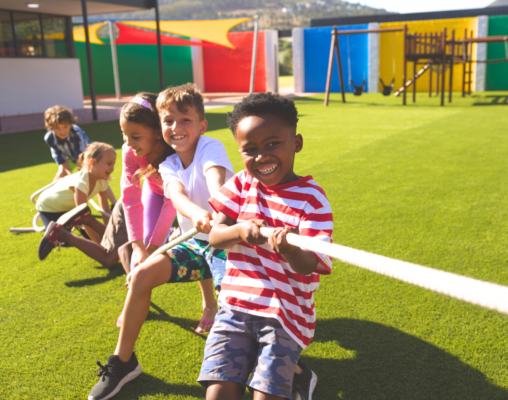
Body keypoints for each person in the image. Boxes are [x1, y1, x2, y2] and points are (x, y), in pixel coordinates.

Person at [87, 84, 235, 400]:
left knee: (235, 304)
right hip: (197, 243)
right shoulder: (167, 164)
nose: (176, 128)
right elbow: (176, 197)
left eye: (185, 121)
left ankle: (285, 364)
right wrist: (193, 216)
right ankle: (123, 363)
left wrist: (216, 207)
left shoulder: (210, 146)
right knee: (141, 274)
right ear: (160, 127)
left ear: (202, 125)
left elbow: (216, 180)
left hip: (229, 243)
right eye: (169, 121)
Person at [198, 92, 333, 400]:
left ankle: (298, 374)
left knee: (266, 396)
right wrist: (240, 230)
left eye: (273, 144)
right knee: (218, 393)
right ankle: (291, 371)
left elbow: (311, 264)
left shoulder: (312, 199)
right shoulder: (242, 183)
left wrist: (290, 249)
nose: (261, 157)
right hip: (235, 307)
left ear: (296, 143)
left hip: (286, 314)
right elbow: (215, 236)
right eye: (250, 149)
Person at [37, 142, 117, 260]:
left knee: (89, 235)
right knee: (62, 240)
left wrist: (111, 232)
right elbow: (83, 218)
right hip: (50, 208)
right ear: (92, 162)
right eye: (109, 164)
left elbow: (105, 210)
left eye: (113, 164)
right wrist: (102, 246)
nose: (112, 168)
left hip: (70, 209)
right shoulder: (81, 182)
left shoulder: (103, 181)